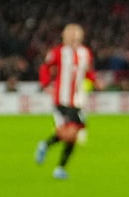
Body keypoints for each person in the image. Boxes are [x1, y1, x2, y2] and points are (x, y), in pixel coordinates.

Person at [34, 23, 97, 179]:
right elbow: (45, 68)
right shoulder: (57, 52)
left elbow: (87, 72)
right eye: (71, 37)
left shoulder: (85, 53)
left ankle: (54, 159)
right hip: (62, 99)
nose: (74, 40)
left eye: (77, 37)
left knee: (72, 135)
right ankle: (55, 161)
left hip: (77, 101)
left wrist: (95, 81)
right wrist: (46, 84)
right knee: (69, 134)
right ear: (66, 37)